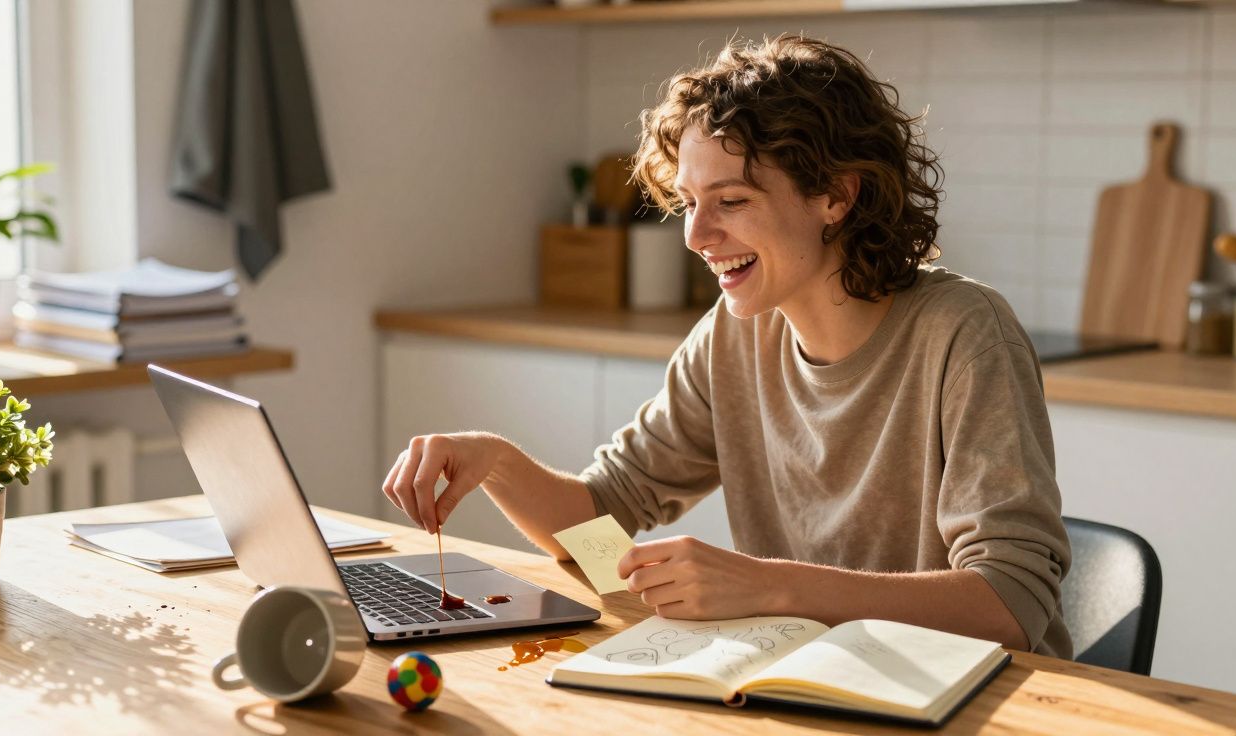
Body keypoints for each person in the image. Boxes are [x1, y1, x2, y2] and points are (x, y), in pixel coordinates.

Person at [382, 35, 1071, 657]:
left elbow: (1011, 604)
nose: (695, 235)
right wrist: (495, 461)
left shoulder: (965, 335)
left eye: (732, 201)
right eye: (688, 202)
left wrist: (769, 587)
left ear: (836, 194)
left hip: (978, 704)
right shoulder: (734, 335)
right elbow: (602, 521)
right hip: (814, 688)